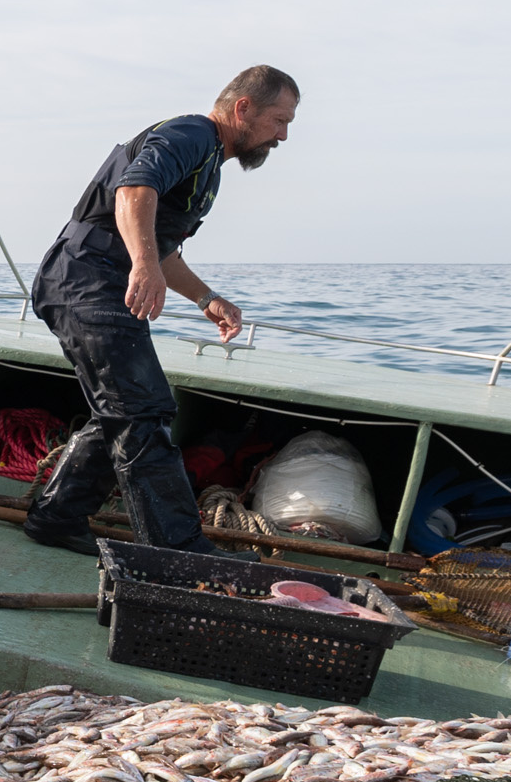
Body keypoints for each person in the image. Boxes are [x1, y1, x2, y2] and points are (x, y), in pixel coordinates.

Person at [21, 67, 302, 557]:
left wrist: (206, 298)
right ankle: (178, 549)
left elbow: (161, 245)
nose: (282, 135)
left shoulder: (208, 159)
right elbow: (133, 193)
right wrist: (144, 267)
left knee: (123, 409)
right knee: (144, 413)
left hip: (94, 278)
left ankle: (58, 516)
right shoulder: (193, 133)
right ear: (243, 108)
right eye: (279, 120)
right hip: (86, 279)